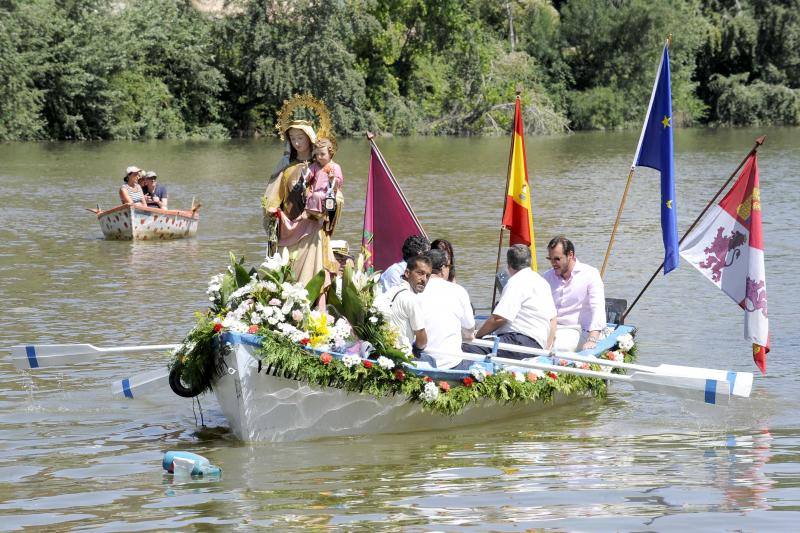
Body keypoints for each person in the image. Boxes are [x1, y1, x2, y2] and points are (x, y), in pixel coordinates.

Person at [263, 120, 338, 285]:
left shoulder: (321, 166)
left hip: (312, 225)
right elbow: (274, 194)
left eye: (300, 138)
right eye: (293, 138)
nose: (297, 143)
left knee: (313, 268)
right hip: (288, 224)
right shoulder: (286, 167)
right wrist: (272, 210)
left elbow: (334, 193)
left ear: (309, 138)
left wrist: (324, 205)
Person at [463, 244, 556, 359]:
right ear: (530, 261)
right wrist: (546, 350)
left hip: (517, 342)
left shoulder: (515, 282)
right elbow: (552, 321)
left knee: (464, 347)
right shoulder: (543, 283)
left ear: (509, 264)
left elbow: (499, 318)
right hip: (538, 346)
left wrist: (477, 335)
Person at [542, 236, 606, 352]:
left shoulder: (590, 274)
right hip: (551, 328)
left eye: (557, 259)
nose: (553, 263)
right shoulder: (546, 277)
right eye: (550, 259)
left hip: (579, 330)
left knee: (561, 347)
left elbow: (598, 308)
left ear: (570, 255)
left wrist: (593, 338)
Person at [418, 250, 475, 369]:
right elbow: (469, 332)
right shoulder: (459, 291)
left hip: (420, 362)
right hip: (452, 363)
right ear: (443, 268)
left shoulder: (414, 291)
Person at [381, 254, 431, 353]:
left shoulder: (390, 291)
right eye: (420, 273)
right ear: (407, 273)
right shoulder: (411, 299)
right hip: (400, 357)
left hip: (383, 350)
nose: (424, 279)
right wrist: (417, 348)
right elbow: (422, 342)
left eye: (428, 275)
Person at [309, 138, 344, 235]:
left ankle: (326, 217)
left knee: (323, 197)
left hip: (329, 193)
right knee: (312, 195)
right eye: (317, 154)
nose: (319, 157)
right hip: (316, 191)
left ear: (330, 153)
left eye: (322, 154)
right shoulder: (315, 166)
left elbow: (339, 181)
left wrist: (333, 179)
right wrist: (305, 172)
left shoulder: (335, 167)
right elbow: (308, 175)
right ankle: (312, 215)